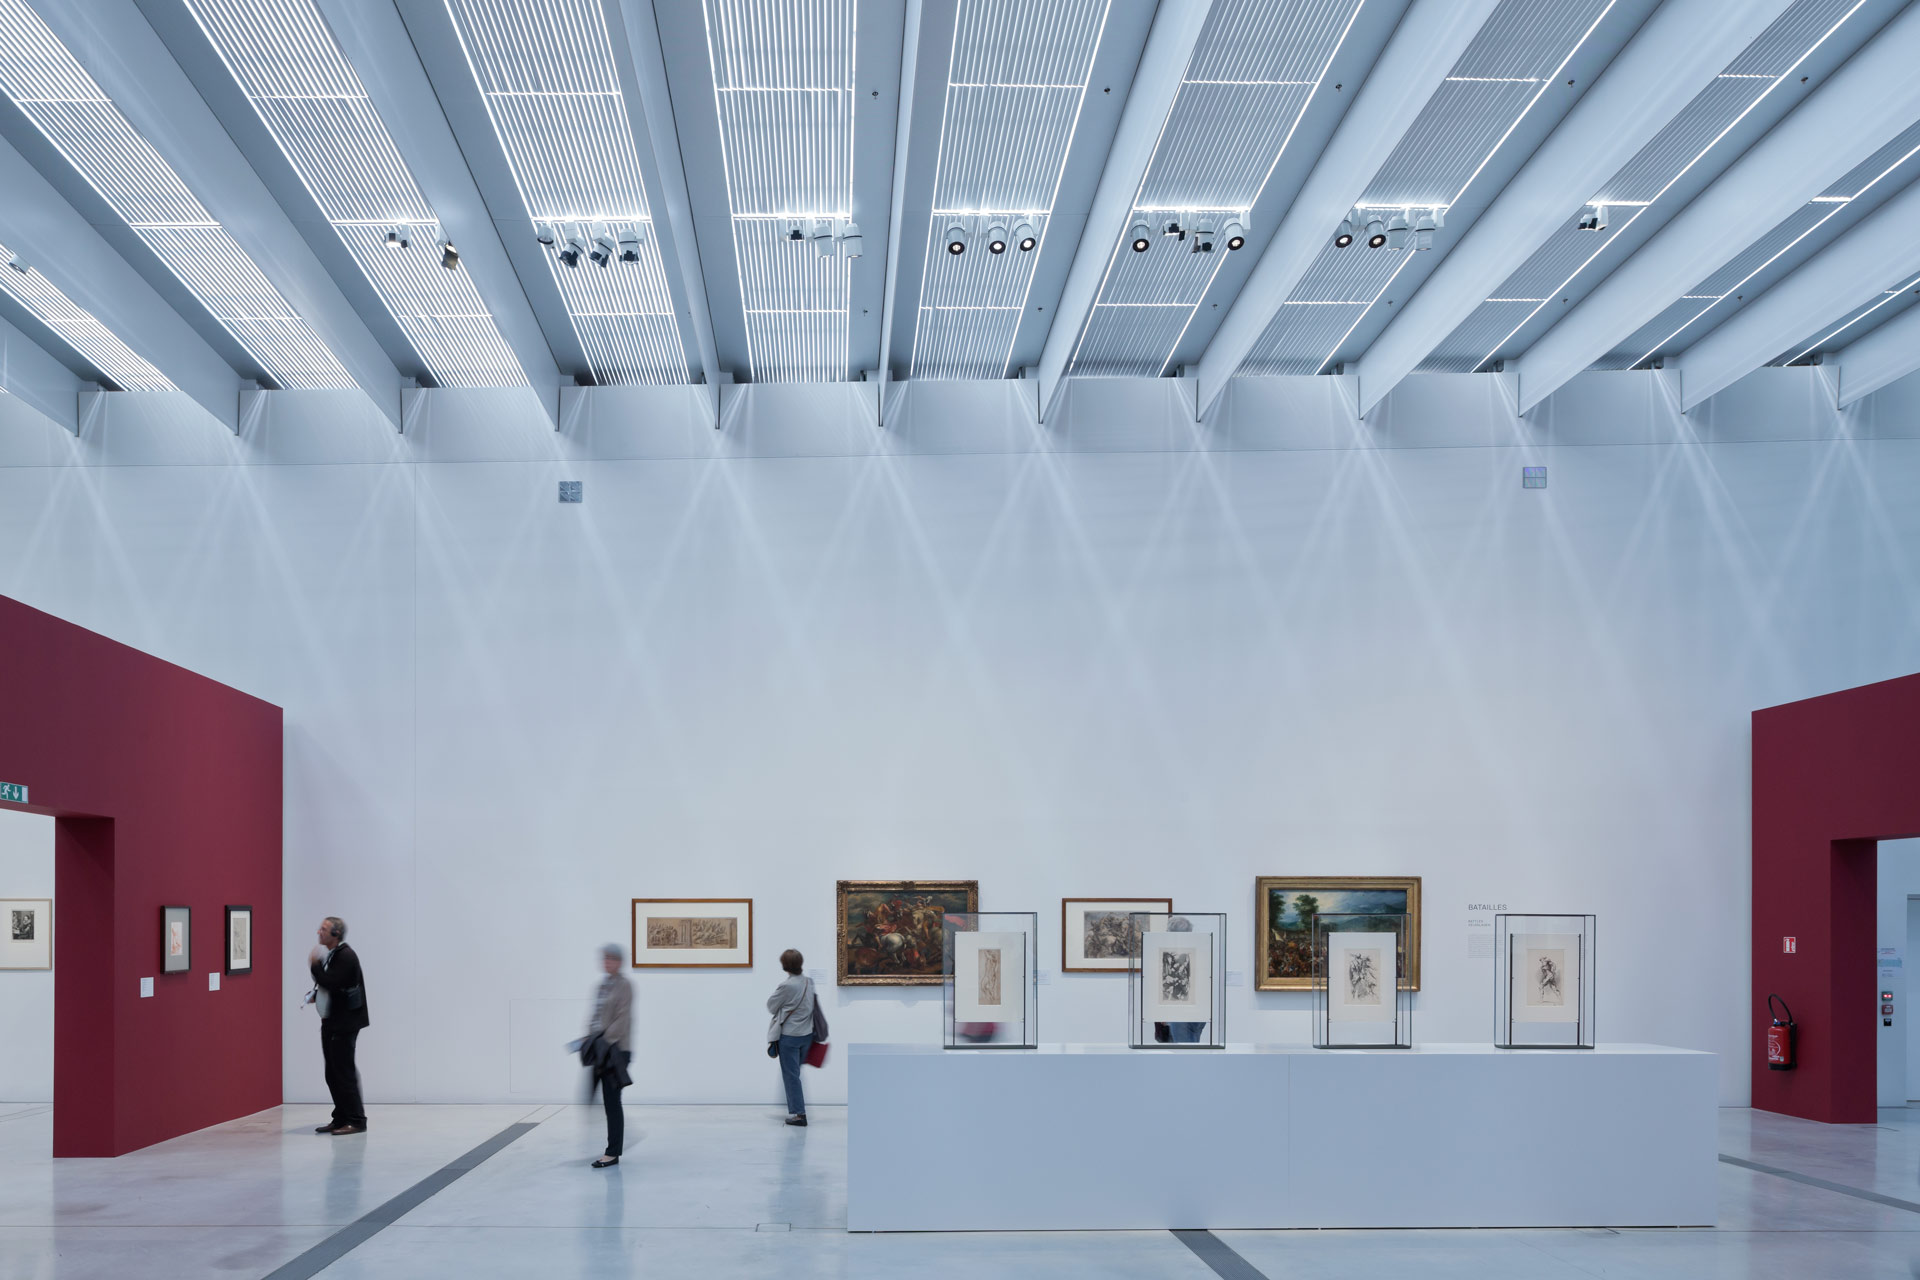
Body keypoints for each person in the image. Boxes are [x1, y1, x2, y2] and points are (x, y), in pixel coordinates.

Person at [308, 917, 368, 1135]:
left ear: (336, 934)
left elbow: (331, 982)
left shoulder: (346, 956)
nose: (319, 932)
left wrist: (314, 964)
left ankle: (356, 1120)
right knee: (333, 1073)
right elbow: (333, 985)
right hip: (333, 1022)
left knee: (343, 1072)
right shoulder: (335, 955)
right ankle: (341, 1117)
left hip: (344, 1024)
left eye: (323, 929)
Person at [583, 943, 633, 1168]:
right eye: (605, 958)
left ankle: (612, 1153)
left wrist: (603, 1040)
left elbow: (622, 1019)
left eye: (611, 959)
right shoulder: (602, 986)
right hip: (600, 1048)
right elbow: (595, 1016)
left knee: (612, 1101)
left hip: (616, 1050)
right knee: (596, 1097)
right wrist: (589, 1038)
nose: (607, 962)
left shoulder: (625, 986)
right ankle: (618, 1142)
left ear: (620, 962)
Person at [766, 949, 814, 1127]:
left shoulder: (786, 986)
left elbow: (771, 1006)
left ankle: (800, 1115)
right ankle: (799, 1110)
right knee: (795, 1074)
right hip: (807, 1034)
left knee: (791, 1076)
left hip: (790, 1036)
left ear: (785, 965)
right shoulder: (809, 982)